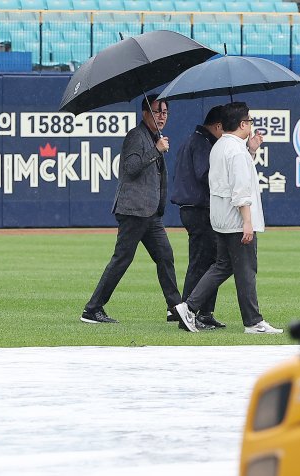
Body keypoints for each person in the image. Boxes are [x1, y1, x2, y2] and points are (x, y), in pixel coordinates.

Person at [81, 95, 196, 332]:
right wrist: (156, 150)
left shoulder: (154, 137)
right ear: (145, 113)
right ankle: (92, 309)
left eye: (165, 112)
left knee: (165, 255)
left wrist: (156, 147)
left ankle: (175, 307)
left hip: (149, 213)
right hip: (133, 210)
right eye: (157, 111)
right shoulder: (136, 135)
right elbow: (131, 168)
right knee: (122, 259)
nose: (162, 116)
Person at [172, 102, 283, 334]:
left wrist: (251, 150)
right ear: (242, 124)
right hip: (235, 220)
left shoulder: (220, 145)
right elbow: (240, 189)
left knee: (222, 266)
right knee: (246, 271)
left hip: (220, 219)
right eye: (249, 121)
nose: (251, 124)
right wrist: (247, 222)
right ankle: (253, 322)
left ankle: (189, 307)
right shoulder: (235, 150)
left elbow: (229, 178)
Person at [169, 105, 226, 331]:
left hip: (194, 208)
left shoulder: (195, 139)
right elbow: (206, 174)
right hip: (199, 209)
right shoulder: (201, 142)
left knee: (210, 261)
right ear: (218, 126)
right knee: (202, 263)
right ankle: (189, 312)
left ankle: (203, 313)